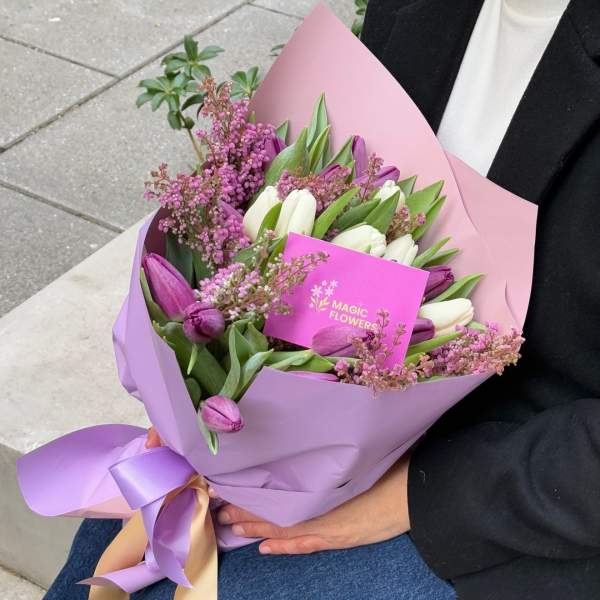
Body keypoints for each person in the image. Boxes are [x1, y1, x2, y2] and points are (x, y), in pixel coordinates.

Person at [45, 0, 600, 598]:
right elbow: (342, 206)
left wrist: (416, 496)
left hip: (523, 483)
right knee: (104, 552)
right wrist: (201, 381)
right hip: (344, 407)